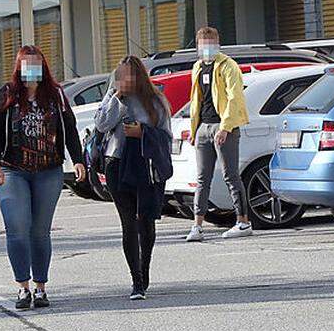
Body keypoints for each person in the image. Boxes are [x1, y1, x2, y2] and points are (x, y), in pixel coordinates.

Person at [0, 45, 86, 310]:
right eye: (27, 65)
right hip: (12, 169)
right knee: (17, 228)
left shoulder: (56, 95)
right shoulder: (8, 94)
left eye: (37, 64)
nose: (33, 70)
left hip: (48, 170)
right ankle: (23, 287)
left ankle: (41, 287)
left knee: (40, 231)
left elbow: (71, 129)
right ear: (19, 68)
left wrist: (77, 159)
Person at [93, 56, 173, 299]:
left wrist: (143, 133)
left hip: (146, 166)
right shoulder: (113, 96)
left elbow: (166, 136)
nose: (125, 80)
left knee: (145, 221)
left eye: (129, 75)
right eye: (121, 75)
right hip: (116, 164)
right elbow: (101, 124)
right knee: (128, 223)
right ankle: (136, 281)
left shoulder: (155, 100)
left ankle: (144, 270)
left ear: (138, 76)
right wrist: (116, 97)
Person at [186, 26, 251, 242]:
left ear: (218, 43)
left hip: (224, 127)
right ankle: (197, 225)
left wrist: (226, 127)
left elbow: (235, 98)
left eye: (211, 44)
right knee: (202, 178)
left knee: (230, 174)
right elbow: (196, 100)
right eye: (204, 44)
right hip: (204, 127)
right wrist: (194, 129)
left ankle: (242, 221)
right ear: (198, 46)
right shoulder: (197, 67)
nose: (207, 48)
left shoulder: (228, 66)